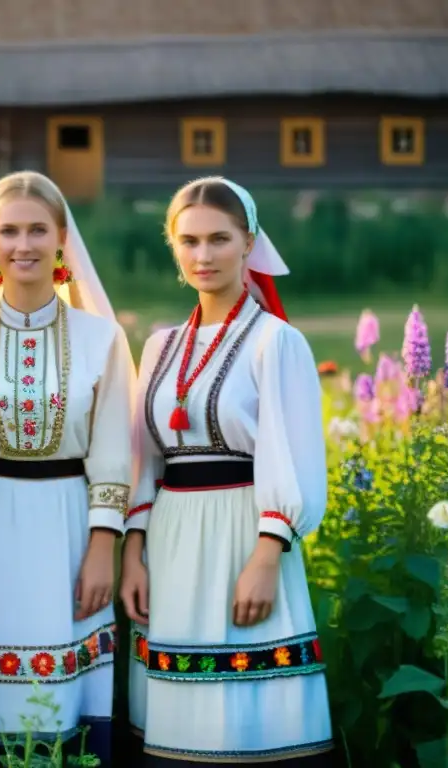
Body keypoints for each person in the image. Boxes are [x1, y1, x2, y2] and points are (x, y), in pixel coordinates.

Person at [0, 171, 136, 766]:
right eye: (9, 230)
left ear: (63, 238)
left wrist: (101, 549)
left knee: (63, 694)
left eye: (38, 229)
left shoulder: (103, 339)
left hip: (68, 525)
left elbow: (114, 451)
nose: (24, 244)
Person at [120, 177, 333, 766]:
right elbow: (146, 458)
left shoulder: (276, 342)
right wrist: (133, 550)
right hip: (171, 540)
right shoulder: (159, 347)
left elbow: (293, 456)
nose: (203, 255)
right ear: (174, 248)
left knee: (249, 718)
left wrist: (267, 557)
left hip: (246, 535)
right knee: (179, 726)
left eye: (219, 239)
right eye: (189, 241)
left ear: (249, 243)